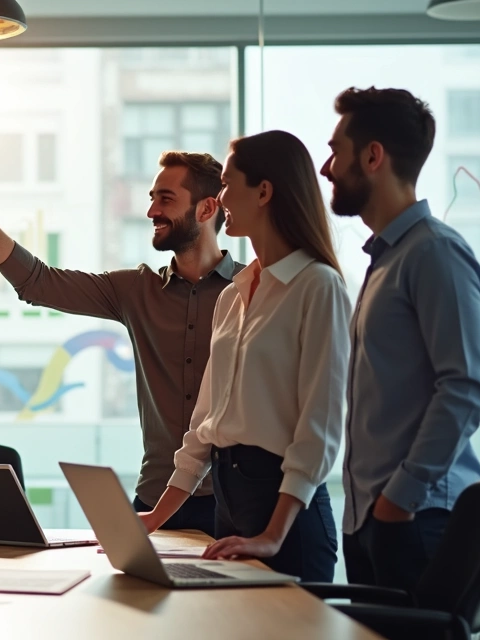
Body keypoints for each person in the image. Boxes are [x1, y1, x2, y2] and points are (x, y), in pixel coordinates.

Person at [0, 135, 242, 538]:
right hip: (153, 498)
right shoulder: (134, 290)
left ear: (207, 208)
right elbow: (38, 282)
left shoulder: (253, 290)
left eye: (165, 199)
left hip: (234, 507)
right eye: (151, 198)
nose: (150, 211)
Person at [135, 130, 350, 582]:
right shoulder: (234, 293)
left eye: (229, 184)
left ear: (265, 192)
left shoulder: (318, 285)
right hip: (230, 509)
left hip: (286, 520)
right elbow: (204, 425)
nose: (222, 196)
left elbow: (319, 428)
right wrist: (155, 517)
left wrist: (272, 536)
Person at [321, 87, 480, 592]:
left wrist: (399, 499)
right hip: (375, 519)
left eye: (335, 151)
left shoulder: (434, 253)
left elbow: (465, 388)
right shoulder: (386, 260)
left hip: (415, 520)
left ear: (373, 156)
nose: (327, 168)